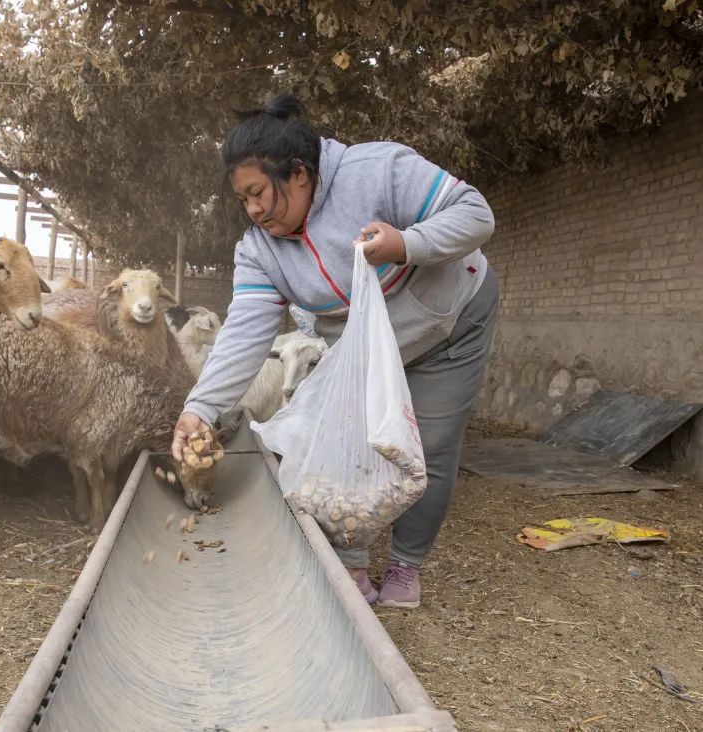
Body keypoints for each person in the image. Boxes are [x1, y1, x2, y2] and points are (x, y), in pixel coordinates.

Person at [170, 93, 499, 609]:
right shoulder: (260, 251)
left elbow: (476, 214)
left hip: (448, 324)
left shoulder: (377, 170)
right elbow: (244, 334)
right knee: (349, 443)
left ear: (299, 173)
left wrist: (407, 243)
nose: (253, 210)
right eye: (244, 201)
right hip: (362, 352)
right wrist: (201, 408)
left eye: (258, 193)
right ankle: (351, 566)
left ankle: (405, 567)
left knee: (428, 445)